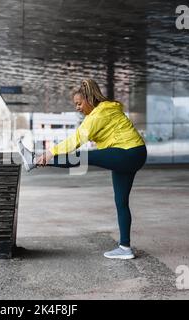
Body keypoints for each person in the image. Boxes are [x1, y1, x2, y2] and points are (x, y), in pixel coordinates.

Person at [17, 79, 147, 260]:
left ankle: (34, 161)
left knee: (86, 157)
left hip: (128, 152)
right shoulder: (103, 111)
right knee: (121, 201)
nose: (77, 107)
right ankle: (125, 248)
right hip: (133, 153)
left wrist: (49, 154)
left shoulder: (99, 115)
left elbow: (76, 139)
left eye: (79, 103)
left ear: (89, 99)